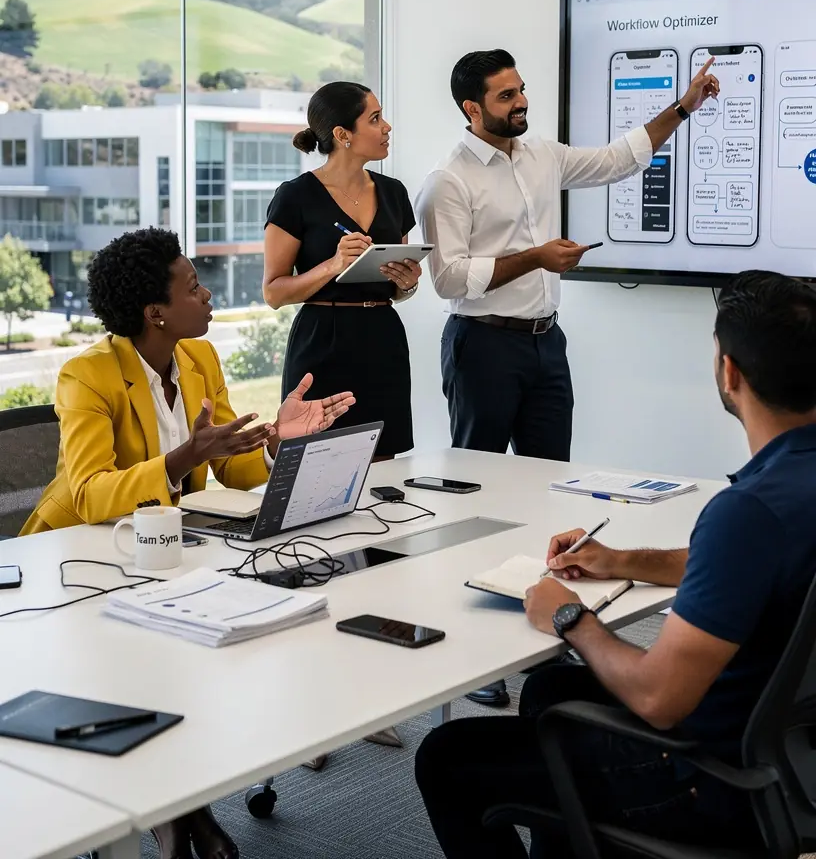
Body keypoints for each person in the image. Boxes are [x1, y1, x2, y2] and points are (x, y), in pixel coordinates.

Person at [415, 270, 816, 858]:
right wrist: (619, 560)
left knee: (448, 756)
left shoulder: (748, 512)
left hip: (711, 783)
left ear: (729, 373)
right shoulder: (782, 500)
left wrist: (571, 618)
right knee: (552, 687)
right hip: (794, 753)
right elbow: (747, 569)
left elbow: (659, 699)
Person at [22, 227, 354, 859]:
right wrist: (180, 460)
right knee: (146, 661)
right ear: (155, 312)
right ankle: (179, 816)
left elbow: (232, 469)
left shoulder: (199, 361)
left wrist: (278, 443)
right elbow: (91, 493)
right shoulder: (85, 375)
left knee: (201, 648)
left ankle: (180, 810)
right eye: (194, 287)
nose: (207, 296)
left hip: (167, 551)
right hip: (74, 560)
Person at [417, 48, 718, 707]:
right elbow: (448, 277)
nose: (521, 103)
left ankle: (544, 631)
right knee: (482, 499)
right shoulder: (449, 180)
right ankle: (478, 659)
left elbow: (617, 158)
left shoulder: (541, 154)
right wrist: (536, 258)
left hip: (545, 345)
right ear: (472, 108)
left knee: (547, 495)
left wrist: (684, 108)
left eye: (521, 90)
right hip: (481, 347)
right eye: (505, 96)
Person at [264, 81, 421, 461]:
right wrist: (333, 264)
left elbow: (399, 283)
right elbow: (274, 292)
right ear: (342, 134)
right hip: (322, 342)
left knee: (383, 464)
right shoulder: (295, 196)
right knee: (316, 464)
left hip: (383, 339)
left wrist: (407, 285)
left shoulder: (394, 192)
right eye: (376, 118)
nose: (387, 127)